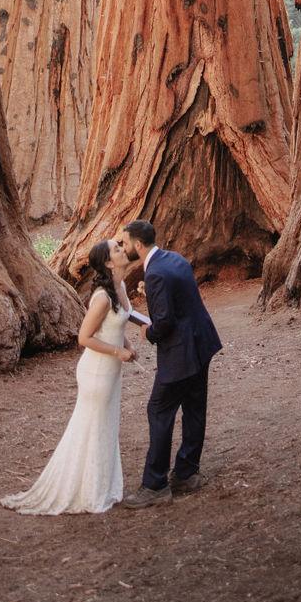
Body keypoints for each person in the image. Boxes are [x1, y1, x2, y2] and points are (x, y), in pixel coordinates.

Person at [1, 238, 137, 514]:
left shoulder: (120, 286)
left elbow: (117, 325)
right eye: (117, 248)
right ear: (108, 262)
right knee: (92, 428)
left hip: (112, 370)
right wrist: (116, 351)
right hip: (96, 371)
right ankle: (88, 491)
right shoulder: (101, 298)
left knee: (106, 426)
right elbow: (84, 338)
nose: (123, 248)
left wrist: (128, 347)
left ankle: (102, 485)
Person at [120, 218, 222, 508]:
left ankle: (155, 485)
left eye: (125, 243)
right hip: (202, 342)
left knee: (159, 410)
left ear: (138, 245)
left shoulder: (155, 274)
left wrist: (147, 332)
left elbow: (163, 322)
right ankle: (187, 474)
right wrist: (149, 294)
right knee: (194, 408)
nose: (123, 247)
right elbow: (178, 299)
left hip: (181, 352)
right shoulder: (172, 259)